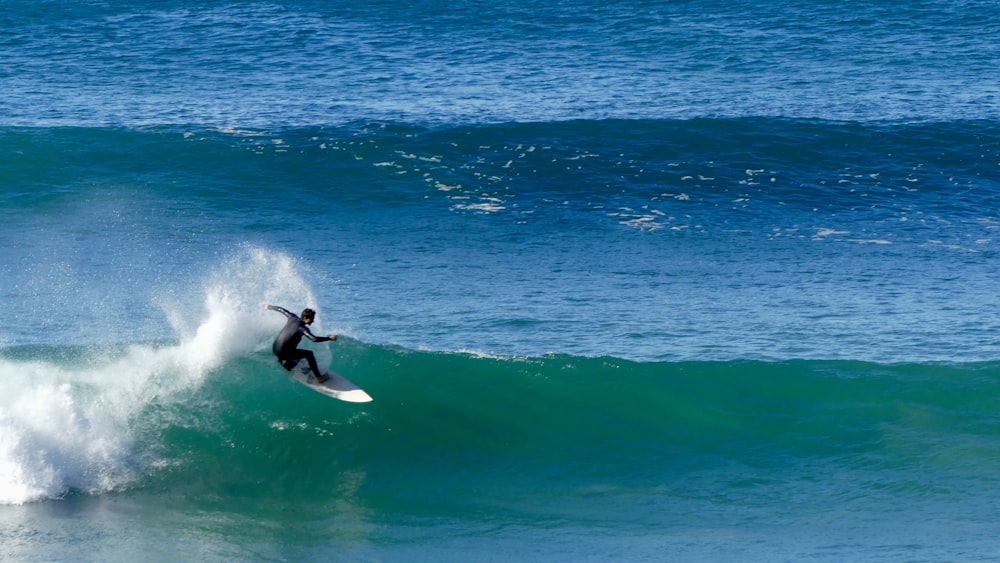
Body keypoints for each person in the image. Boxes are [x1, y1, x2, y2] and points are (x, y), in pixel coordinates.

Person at [263, 303, 337, 383]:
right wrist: (329, 338)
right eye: (311, 319)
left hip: (275, 349)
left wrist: (268, 307)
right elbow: (314, 339)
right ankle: (319, 377)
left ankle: (284, 361)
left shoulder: (292, 317)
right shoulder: (302, 328)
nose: (313, 321)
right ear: (305, 318)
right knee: (309, 354)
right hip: (283, 353)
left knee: (291, 345)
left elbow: (281, 309)